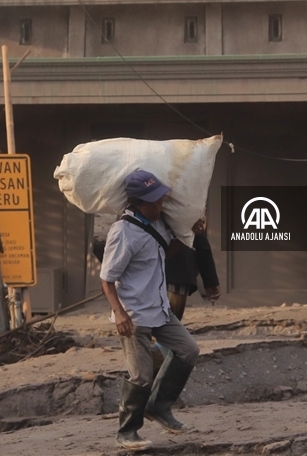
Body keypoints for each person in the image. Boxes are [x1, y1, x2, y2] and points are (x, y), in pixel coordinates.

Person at [100, 169, 201, 450]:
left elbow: (163, 251)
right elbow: (106, 279)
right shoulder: (123, 232)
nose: (159, 205)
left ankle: (159, 406)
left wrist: (189, 232)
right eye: (153, 201)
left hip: (159, 308)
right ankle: (127, 432)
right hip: (134, 315)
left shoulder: (157, 223)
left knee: (188, 349)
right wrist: (119, 314)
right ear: (138, 203)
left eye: (160, 199)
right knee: (141, 375)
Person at [164, 214, 220, 320]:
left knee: (169, 322)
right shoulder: (188, 209)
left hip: (173, 273)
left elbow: (200, 243)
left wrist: (211, 281)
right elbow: (201, 244)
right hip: (175, 272)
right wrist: (211, 282)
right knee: (171, 322)